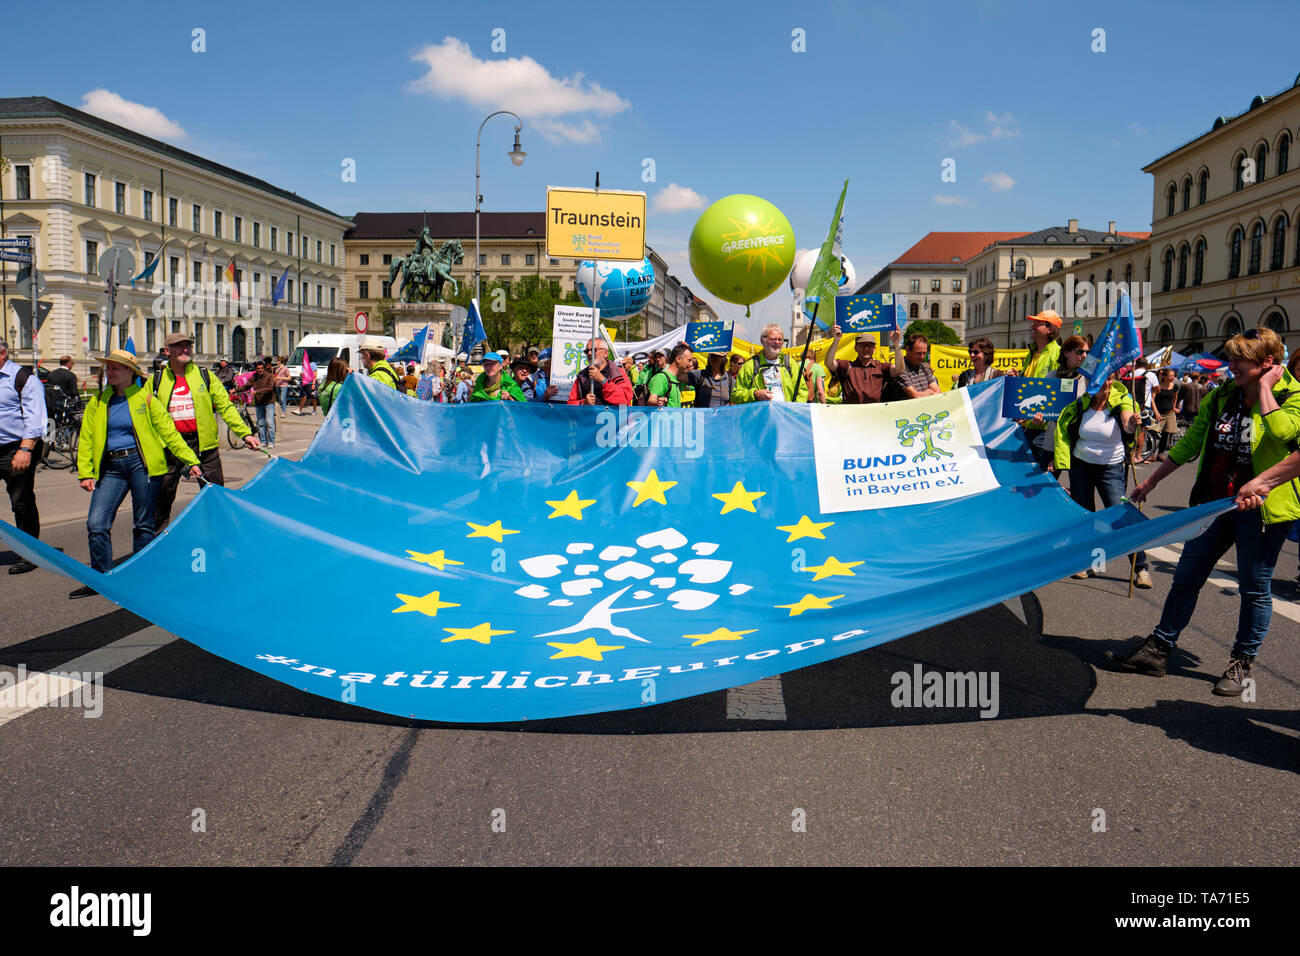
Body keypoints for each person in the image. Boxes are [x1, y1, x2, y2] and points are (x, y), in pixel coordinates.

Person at [1110, 327, 1300, 696]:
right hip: (1214, 505)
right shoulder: (1222, 396)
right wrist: (1153, 481)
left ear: (1268, 363)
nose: (1231, 366)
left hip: (1262, 510)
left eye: (1239, 360)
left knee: (1254, 589)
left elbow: (1282, 433)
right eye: (1229, 358)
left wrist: (1264, 389)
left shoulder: (1292, 395)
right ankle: (1159, 649)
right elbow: (1192, 442)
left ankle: (1241, 664)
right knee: (1186, 575)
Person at [73, 349, 200, 597]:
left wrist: (191, 461)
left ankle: (143, 576)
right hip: (111, 468)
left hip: (143, 466)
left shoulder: (146, 399)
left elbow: (169, 433)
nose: (110, 372)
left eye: (116, 368)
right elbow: (86, 439)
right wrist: (85, 472)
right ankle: (100, 577)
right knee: (96, 523)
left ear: (130, 372)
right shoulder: (98, 401)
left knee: (143, 524)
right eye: (108, 368)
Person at [149, 331, 260, 530]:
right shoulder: (156, 380)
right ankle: (156, 544)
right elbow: (145, 414)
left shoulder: (204, 376)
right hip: (170, 447)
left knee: (215, 497)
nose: (185, 349)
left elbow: (225, 407)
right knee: (161, 501)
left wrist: (245, 433)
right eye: (178, 345)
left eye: (187, 345)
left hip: (203, 445)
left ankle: (219, 542)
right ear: (167, 351)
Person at [1052, 372, 1152, 588]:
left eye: (1108, 378)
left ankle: (1141, 567)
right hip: (1081, 466)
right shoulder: (1082, 403)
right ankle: (1090, 563)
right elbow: (1065, 430)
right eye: (1099, 379)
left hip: (1111, 468)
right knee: (1086, 517)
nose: (1105, 383)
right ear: (1090, 382)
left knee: (1120, 517)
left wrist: (1133, 425)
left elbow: (1127, 426)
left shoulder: (1122, 399)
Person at [0, 337, 47, 574]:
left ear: (2, 354)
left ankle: (29, 553)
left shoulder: (24, 379)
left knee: (21, 501)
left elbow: (35, 418)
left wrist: (25, 450)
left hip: (15, 448)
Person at [1019, 309, 1064, 465]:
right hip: (1025, 425)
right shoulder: (1031, 353)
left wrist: (1043, 416)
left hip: (1042, 429)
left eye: (1037, 323)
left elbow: (1056, 393)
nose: (1032, 326)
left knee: (1039, 478)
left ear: (1050, 329)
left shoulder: (1057, 354)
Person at [732, 324, 810, 403]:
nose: (777, 342)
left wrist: (794, 410)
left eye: (780, 340)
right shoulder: (750, 366)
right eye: (773, 339)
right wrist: (755, 394)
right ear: (762, 340)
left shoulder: (790, 364)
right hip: (760, 414)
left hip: (785, 414)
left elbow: (802, 391)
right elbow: (736, 395)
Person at [826, 326, 902, 404]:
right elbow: (829, 363)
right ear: (855, 348)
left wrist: (897, 345)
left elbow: (899, 370)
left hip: (874, 413)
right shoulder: (846, 366)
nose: (866, 348)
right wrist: (836, 341)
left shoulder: (881, 367)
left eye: (869, 345)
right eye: (862, 345)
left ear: (874, 348)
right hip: (851, 414)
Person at [567, 338, 633, 405]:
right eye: (587, 351)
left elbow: (624, 400)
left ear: (606, 353)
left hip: (613, 415)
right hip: (590, 415)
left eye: (594, 350)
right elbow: (570, 403)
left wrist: (602, 380)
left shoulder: (617, 373)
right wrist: (583, 403)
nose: (589, 353)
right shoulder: (582, 376)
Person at [891, 332, 941, 400]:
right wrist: (930, 391)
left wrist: (922, 394)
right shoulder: (901, 369)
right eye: (919, 353)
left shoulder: (925, 367)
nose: (922, 357)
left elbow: (938, 391)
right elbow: (915, 396)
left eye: (924, 353)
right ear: (908, 350)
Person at [1147, 367, 1181, 462]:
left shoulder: (1175, 386)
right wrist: (1156, 412)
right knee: (1152, 432)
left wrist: (1174, 407)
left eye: (1173, 376)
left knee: (1166, 434)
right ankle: (1151, 453)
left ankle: (1160, 454)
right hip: (1158, 413)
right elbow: (1152, 399)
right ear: (1164, 376)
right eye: (1170, 376)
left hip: (1169, 413)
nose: (1173, 377)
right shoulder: (1158, 386)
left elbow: (1175, 397)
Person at [647, 343, 693, 407]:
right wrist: (658, 402)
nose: (691, 364)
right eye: (689, 360)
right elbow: (651, 400)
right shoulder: (661, 377)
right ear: (678, 359)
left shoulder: (678, 378)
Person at [249, 357, 277, 448]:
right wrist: (235, 390)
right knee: (261, 423)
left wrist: (257, 391)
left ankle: (271, 441)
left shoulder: (269, 376)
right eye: (258, 368)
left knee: (269, 422)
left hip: (269, 402)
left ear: (264, 368)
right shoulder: (254, 377)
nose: (260, 370)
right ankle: (263, 441)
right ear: (256, 369)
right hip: (259, 402)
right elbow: (246, 386)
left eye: (261, 368)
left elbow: (269, 388)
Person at [295, 351, 319, 415]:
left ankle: (314, 410)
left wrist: (313, 384)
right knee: (303, 396)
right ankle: (299, 410)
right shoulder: (303, 364)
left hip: (311, 383)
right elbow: (304, 374)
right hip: (305, 383)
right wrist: (301, 374)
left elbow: (315, 375)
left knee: (313, 397)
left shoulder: (313, 364)